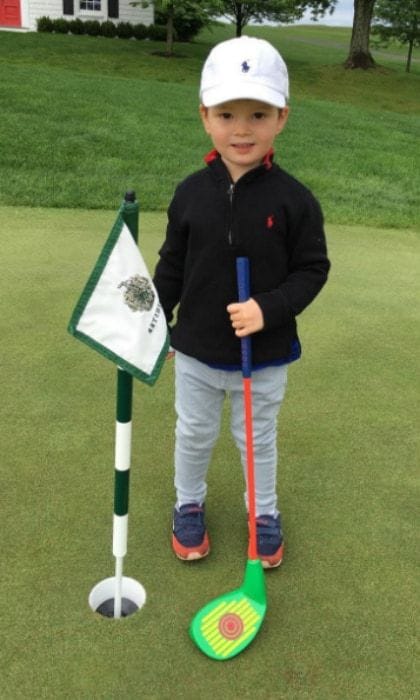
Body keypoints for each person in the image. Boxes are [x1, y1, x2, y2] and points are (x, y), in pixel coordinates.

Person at [153, 35, 330, 569]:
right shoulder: (189, 192)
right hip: (198, 352)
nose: (243, 128)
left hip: (266, 354)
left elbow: (312, 270)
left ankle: (264, 513)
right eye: (227, 113)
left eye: (258, 113)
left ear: (282, 117)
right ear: (205, 116)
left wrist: (268, 309)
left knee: (257, 440)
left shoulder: (295, 200)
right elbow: (172, 266)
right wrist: (155, 324)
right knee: (194, 432)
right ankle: (189, 502)